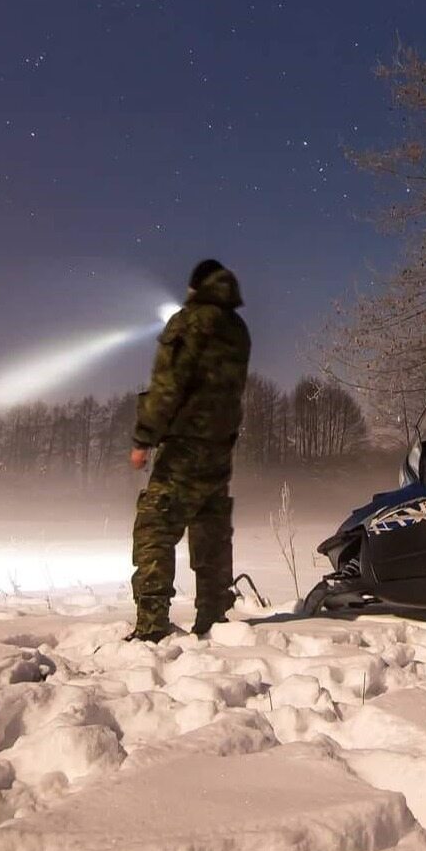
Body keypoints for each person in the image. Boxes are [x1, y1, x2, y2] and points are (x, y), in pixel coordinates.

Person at [126, 259, 251, 642]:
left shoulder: (189, 321)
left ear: (196, 287)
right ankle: (213, 620)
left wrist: (143, 438)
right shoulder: (238, 329)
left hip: (183, 449)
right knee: (211, 533)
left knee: (154, 529)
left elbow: (169, 385)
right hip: (219, 451)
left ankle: (151, 628)